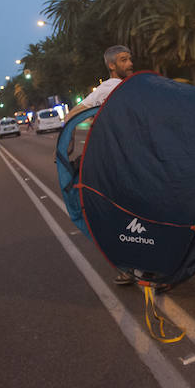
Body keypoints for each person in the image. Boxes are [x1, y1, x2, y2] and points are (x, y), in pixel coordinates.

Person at [63, 44, 134, 286]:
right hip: (118, 162)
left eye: (130, 59)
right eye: (124, 60)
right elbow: (73, 113)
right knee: (124, 213)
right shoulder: (107, 89)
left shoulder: (134, 84)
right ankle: (130, 265)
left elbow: (71, 115)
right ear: (112, 65)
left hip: (135, 158)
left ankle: (136, 265)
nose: (130, 63)